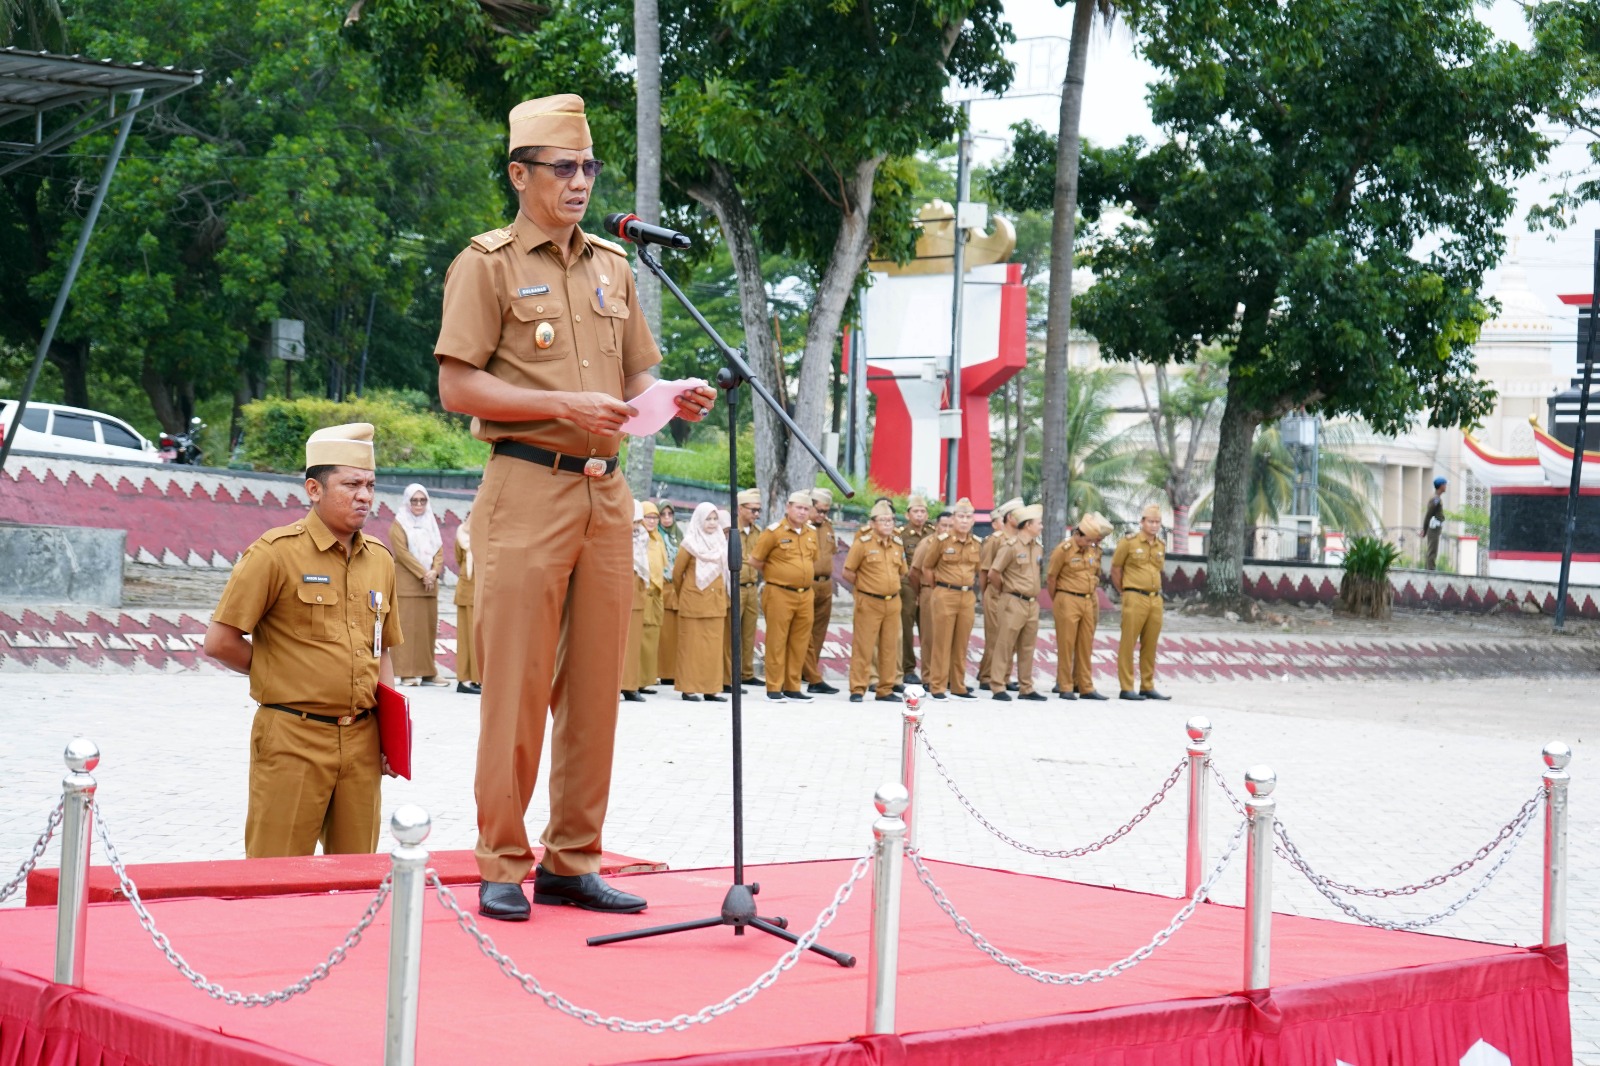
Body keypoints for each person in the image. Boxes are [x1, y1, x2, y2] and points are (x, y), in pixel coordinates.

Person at [433, 92, 716, 922]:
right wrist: (561, 406)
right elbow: (457, 385)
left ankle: (572, 859)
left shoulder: (612, 266)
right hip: (526, 487)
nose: (581, 180)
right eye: (563, 167)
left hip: (606, 493)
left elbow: (632, 376)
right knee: (517, 685)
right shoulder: (485, 264)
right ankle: (501, 859)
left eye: (588, 166)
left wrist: (669, 395)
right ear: (519, 175)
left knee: (597, 687)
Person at [203, 423, 401, 857]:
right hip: (293, 736)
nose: (364, 496)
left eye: (370, 485)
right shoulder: (275, 553)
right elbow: (220, 641)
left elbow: (381, 648)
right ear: (314, 488)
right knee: (276, 872)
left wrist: (390, 732)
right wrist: (281, 671)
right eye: (351, 484)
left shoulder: (380, 560)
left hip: (362, 740)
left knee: (356, 873)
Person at [751, 489, 818, 702]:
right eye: (798, 507)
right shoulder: (774, 532)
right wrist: (777, 573)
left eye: (806, 508)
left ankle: (792, 686)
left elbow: (812, 559)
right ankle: (773, 687)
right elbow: (755, 560)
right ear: (788, 507)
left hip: (805, 594)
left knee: (799, 642)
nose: (802, 512)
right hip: (779, 592)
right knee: (777, 641)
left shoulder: (811, 532)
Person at [843, 500, 907, 703]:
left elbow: (902, 572)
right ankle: (858, 688)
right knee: (864, 646)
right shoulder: (862, 544)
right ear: (872, 523)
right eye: (883, 520)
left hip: (892, 602)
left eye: (891, 520)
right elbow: (848, 572)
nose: (888, 524)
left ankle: (885, 688)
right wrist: (866, 587)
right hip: (869, 601)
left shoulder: (897, 544)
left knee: (890, 647)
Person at [1045, 512, 1112, 701]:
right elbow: (1051, 578)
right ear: (1078, 534)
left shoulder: (1092, 550)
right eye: (1088, 540)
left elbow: (1095, 574)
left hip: (1087, 600)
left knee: (1085, 645)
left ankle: (1085, 686)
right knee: (1066, 645)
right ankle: (1065, 686)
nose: (1091, 543)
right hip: (1067, 598)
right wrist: (1059, 600)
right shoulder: (1063, 550)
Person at [922, 498, 983, 700]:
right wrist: (938, 588)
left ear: (973, 520)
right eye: (961, 516)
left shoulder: (976, 544)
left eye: (968, 517)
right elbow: (927, 567)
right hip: (945, 593)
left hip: (967, 596)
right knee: (942, 642)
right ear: (954, 519)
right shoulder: (942, 541)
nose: (964, 521)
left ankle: (958, 685)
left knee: (961, 643)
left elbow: (977, 570)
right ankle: (937, 686)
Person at [985, 504, 1046, 701]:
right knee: (1004, 645)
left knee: (1027, 647)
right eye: (1039, 523)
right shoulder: (1010, 546)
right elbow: (994, 573)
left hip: (1031, 603)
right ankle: (998, 686)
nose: (1042, 526)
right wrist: (1006, 590)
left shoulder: (1038, 548)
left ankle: (1026, 687)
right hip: (1013, 601)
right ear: (1028, 525)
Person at [1112, 505, 1171, 701]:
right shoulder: (1129, 542)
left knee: (1150, 643)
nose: (1154, 525)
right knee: (1128, 643)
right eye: (1150, 522)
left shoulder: (1161, 545)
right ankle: (1126, 687)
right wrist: (1124, 591)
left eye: (1157, 522)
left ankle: (1147, 685)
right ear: (1142, 522)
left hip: (1155, 598)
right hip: (1134, 596)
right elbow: (1116, 569)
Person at [390, 483, 447, 686]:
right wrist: (423, 574)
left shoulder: (430, 522)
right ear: (407, 501)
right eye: (414, 500)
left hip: (428, 587)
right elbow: (402, 554)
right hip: (408, 585)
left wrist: (434, 572)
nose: (419, 504)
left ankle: (428, 672)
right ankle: (407, 673)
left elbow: (438, 550)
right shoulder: (399, 524)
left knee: (427, 631)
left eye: (423, 500)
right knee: (406, 629)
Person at [672, 502, 729, 702]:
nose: (712, 523)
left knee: (713, 648)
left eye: (715, 519)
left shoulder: (721, 542)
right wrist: (687, 594)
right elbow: (677, 574)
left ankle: (711, 689)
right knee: (691, 647)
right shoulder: (689, 543)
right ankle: (688, 688)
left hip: (716, 602)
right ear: (698, 520)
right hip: (693, 602)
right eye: (708, 519)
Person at [977, 498, 1022, 692]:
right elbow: (984, 571)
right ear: (1010, 517)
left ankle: (1004, 676)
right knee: (995, 637)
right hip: (996, 593)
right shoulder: (995, 540)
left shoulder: (1021, 540)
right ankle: (987, 676)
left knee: (1010, 638)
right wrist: (985, 594)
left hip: (1014, 596)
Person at [803, 488, 840, 694]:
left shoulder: (828, 527)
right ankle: (811, 676)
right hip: (807, 583)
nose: (823, 515)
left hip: (825, 584)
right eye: (819, 510)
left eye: (826, 511)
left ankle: (809, 672)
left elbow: (831, 553)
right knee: (804, 632)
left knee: (819, 632)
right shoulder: (802, 528)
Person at [911, 510, 954, 683]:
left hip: (950, 593)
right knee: (930, 636)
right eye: (944, 525)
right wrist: (921, 592)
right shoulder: (927, 544)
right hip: (930, 590)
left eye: (951, 526)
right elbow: (914, 572)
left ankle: (946, 676)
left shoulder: (956, 544)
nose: (947, 529)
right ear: (936, 526)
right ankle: (928, 676)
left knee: (948, 636)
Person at [897, 495, 932, 685]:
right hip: (908, 586)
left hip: (928, 585)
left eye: (922, 511)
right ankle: (908, 669)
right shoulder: (901, 534)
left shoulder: (932, 533)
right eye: (915, 511)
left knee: (929, 629)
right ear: (907, 514)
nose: (919, 515)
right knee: (906, 628)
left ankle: (931, 669)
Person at [732, 488, 763, 688]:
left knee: (749, 632)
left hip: (752, 587)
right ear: (740, 509)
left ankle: (746, 672)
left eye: (759, 510)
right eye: (753, 510)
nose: (756, 514)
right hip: (735, 586)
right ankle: (729, 674)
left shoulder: (757, 532)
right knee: (732, 632)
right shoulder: (730, 530)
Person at [621, 503, 650, 703]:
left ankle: (630, 686)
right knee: (616, 644)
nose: (636, 526)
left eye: (639, 521)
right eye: (633, 521)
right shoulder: (616, 538)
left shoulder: (643, 538)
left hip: (637, 596)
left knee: (632, 645)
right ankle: (614, 686)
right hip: (619, 595)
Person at [638, 501, 667, 692]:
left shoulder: (657, 539)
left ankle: (646, 680)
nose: (652, 521)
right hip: (643, 593)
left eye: (655, 517)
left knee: (652, 639)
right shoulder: (638, 538)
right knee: (639, 639)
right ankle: (634, 681)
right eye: (648, 517)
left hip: (657, 594)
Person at [454, 510, 481, 694]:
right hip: (467, 592)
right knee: (466, 637)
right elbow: (459, 560)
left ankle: (478, 678)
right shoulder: (462, 535)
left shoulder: (488, 535)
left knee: (480, 638)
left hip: (485, 593)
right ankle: (464, 680)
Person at [656, 501, 681, 685]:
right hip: (661, 586)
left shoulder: (678, 535)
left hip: (676, 588)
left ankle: (672, 672)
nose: (666, 518)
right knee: (663, 634)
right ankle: (661, 671)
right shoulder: (655, 536)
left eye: (669, 514)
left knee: (674, 634)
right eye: (662, 514)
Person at [1422, 476, 1447, 570]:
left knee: (1433, 549)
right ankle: (1430, 570)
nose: (1446, 487)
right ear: (1441, 486)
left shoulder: (1437, 498)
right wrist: (1424, 529)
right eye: (1445, 485)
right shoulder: (1435, 499)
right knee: (1432, 550)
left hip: (1436, 527)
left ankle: (1429, 569)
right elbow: (1428, 514)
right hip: (1433, 527)